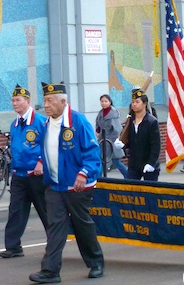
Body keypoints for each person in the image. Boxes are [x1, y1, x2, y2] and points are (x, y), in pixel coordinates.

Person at [29, 82, 104, 283]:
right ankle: (50, 271)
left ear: (63, 101)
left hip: (77, 186)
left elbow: (92, 152)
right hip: (54, 185)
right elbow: (45, 150)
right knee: (55, 227)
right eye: (44, 100)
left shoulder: (78, 122)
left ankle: (96, 262)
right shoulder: (46, 124)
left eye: (50, 100)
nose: (46, 104)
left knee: (82, 225)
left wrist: (84, 174)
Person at [1, 85, 48, 259]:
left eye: (18, 100)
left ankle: (54, 244)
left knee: (45, 210)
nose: (15, 103)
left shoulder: (40, 121)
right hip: (19, 174)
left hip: (36, 174)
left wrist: (41, 162)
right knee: (16, 211)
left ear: (27, 102)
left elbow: (48, 144)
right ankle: (13, 247)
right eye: (13, 100)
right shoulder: (14, 124)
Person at [114, 89, 160, 181]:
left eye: (137, 102)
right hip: (134, 164)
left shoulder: (151, 121)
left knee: (150, 192)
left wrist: (151, 163)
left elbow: (156, 145)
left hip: (148, 163)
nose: (134, 104)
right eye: (133, 102)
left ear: (145, 103)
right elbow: (130, 141)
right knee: (132, 191)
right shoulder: (130, 121)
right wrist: (123, 145)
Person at [95, 94, 128, 178]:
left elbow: (117, 129)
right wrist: (98, 132)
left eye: (106, 101)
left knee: (115, 161)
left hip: (111, 141)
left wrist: (111, 141)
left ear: (110, 102)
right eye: (102, 101)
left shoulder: (113, 114)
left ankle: (128, 176)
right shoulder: (101, 113)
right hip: (102, 140)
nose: (103, 103)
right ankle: (99, 178)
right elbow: (98, 124)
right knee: (101, 160)